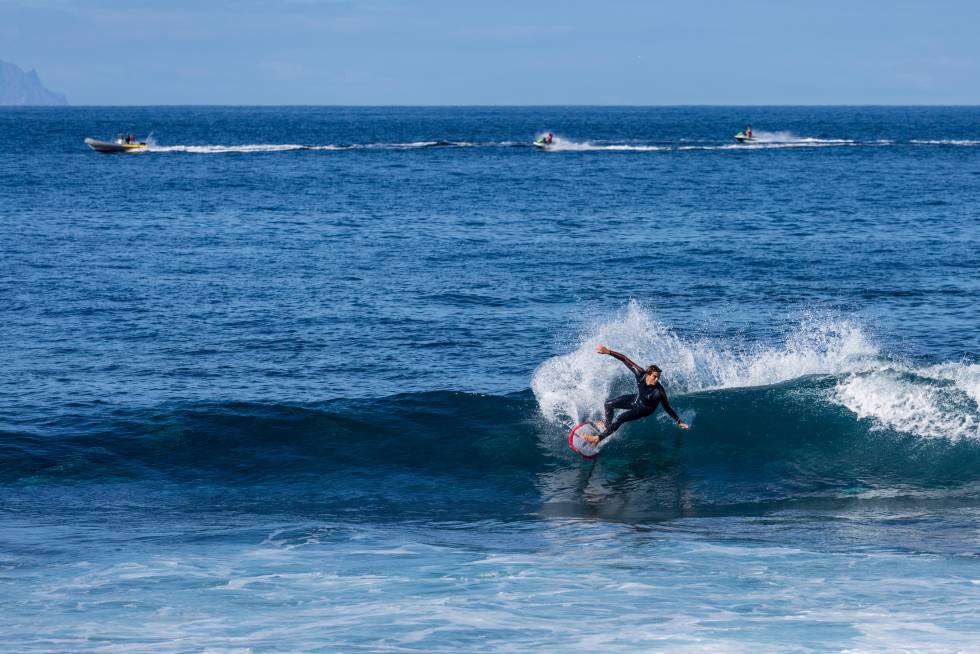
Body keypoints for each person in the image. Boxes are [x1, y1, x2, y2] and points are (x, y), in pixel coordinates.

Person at [582, 344, 689, 445]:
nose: (656, 380)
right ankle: (607, 425)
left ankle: (597, 439)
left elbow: (667, 407)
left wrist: (679, 421)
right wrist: (608, 352)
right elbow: (624, 358)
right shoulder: (640, 373)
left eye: (658, 377)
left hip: (645, 409)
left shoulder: (659, 392)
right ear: (648, 374)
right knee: (608, 404)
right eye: (654, 377)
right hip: (638, 399)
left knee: (621, 418)